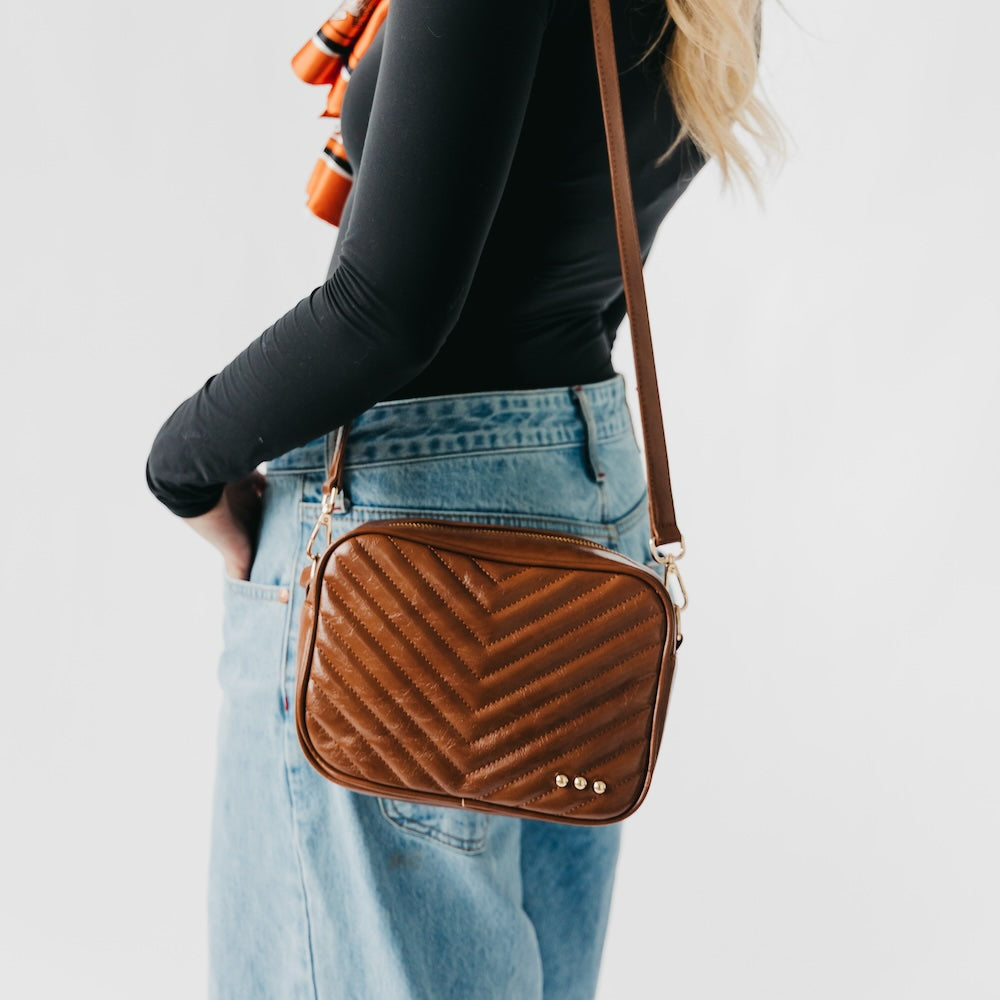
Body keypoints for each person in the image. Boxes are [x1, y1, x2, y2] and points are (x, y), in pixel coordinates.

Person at [145, 0, 783, 996]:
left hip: (405, 547)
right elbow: (593, 233)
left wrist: (181, 462)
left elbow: (383, 312)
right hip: (581, 503)